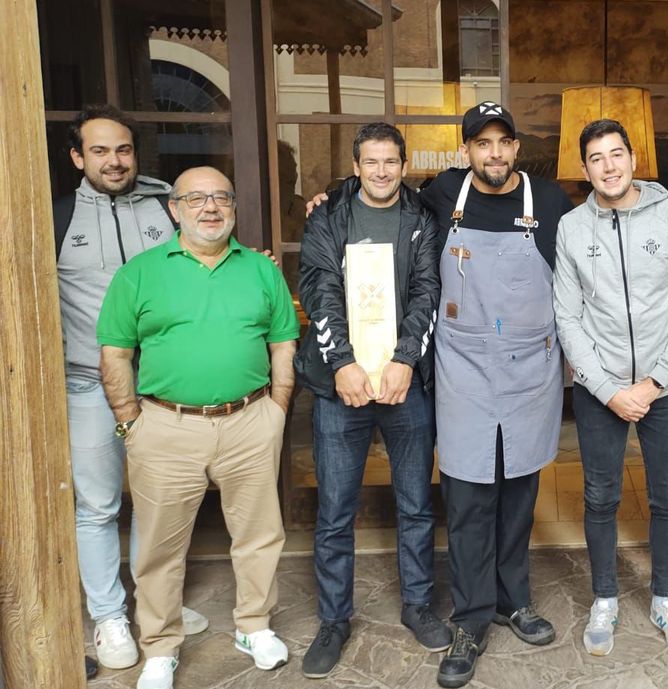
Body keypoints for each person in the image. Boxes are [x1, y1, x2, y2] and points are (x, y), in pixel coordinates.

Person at [97, 166, 299, 689]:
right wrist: (130, 424)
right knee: (159, 549)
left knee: (259, 536)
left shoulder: (260, 269)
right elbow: (115, 353)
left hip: (251, 421)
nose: (210, 208)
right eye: (196, 199)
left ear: (233, 207)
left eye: (220, 198)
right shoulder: (138, 274)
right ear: (174, 209)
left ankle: (253, 626)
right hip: (165, 426)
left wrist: (277, 408)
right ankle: (160, 648)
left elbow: (282, 342)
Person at [422, 102, 575, 688]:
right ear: (466, 151)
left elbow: (585, 271)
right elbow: (373, 197)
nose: (493, 153)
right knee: (467, 503)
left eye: (503, 142)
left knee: (518, 497)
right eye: (481, 143)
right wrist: (326, 200)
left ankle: (515, 601)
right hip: (462, 372)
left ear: (516, 148)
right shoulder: (441, 195)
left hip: (529, 374)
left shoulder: (551, 202)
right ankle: (470, 619)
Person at [54, 104, 208, 674]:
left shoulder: (164, 206)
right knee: (98, 505)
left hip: (160, 384)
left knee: (157, 500)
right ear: (78, 157)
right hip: (88, 383)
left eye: (122, 149)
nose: (113, 161)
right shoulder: (59, 214)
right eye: (99, 151)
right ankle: (108, 616)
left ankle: (154, 605)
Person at [295, 123, 447, 677]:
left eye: (391, 162)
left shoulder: (423, 218)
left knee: (415, 504)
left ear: (404, 166)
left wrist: (407, 359)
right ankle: (334, 621)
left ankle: (418, 605)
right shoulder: (327, 216)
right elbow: (318, 287)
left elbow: (429, 290)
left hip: (405, 386)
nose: (382, 171)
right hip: (343, 389)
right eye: (371, 162)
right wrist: (343, 366)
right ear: (355, 166)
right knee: (335, 510)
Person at [555, 119, 668, 656]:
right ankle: (605, 598)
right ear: (585, 168)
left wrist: (652, 382)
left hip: (667, 390)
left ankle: (665, 597)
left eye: (616, 154)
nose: (608, 166)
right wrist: (606, 388)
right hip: (601, 394)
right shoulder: (572, 228)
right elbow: (567, 318)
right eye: (596, 158)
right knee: (600, 497)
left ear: (633, 157)